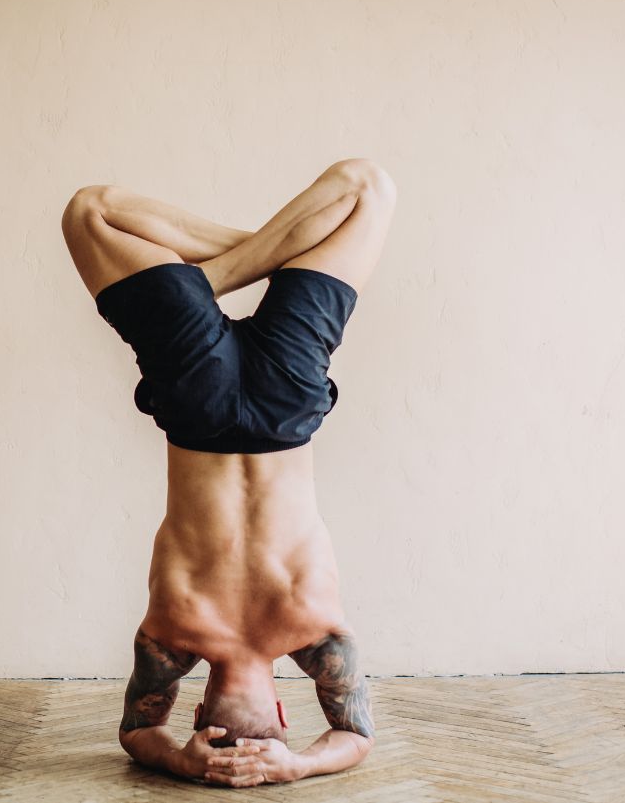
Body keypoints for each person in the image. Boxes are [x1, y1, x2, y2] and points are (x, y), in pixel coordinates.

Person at [61, 158, 397, 787]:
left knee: (365, 187)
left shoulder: (316, 632)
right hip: (198, 405)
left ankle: (237, 266)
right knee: (91, 210)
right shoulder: (174, 631)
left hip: (284, 405)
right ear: (197, 702)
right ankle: (226, 272)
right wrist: (177, 754)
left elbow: (355, 737)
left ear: (281, 710)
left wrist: (295, 766)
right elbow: (137, 732)